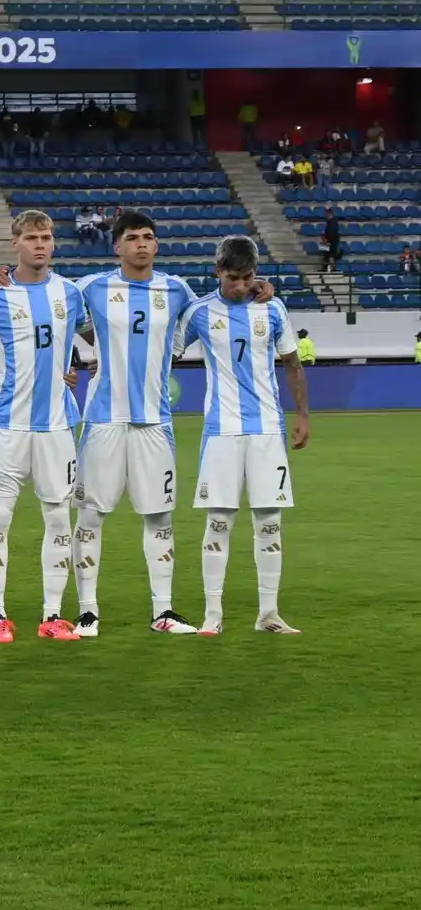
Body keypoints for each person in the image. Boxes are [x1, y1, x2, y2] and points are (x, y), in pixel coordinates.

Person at [50, 211, 208, 636]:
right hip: (103, 418)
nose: (142, 244)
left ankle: (164, 610)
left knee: (160, 517)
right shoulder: (92, 287)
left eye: (149, 237)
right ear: (116, 246)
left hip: (155, 422)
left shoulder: (176, 290)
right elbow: (49, 312)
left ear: (157, 245)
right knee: (90, 516)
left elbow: (212, 314)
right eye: (133, 238)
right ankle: (87, 611)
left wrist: (257, 292)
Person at [0, 211, 88, 642]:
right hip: (8, 424)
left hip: (57, 426)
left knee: (58, 519)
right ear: (14, 242)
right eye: (32, 237)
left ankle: (52, 615)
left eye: (47, 237)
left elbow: (94, 338)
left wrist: (76, 366)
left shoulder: (70, 294)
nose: (41, 244)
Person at [175, 236, 309, 635]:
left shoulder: (272, 307)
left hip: (268, 429)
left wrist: (302, 414)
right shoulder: (199, 312)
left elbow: (292, 363)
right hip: (222, 431)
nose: (241, 285)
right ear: (218, 272)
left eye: (248, 277)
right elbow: (167, 351)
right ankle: (212, 616)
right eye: (233, 278)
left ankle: (269, 614)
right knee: (219, 520)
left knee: (269, 522)